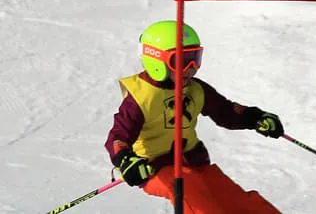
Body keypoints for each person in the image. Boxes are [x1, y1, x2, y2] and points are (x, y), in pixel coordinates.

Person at [105, 20, 284, 213]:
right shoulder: (141, 97)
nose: (191, 67)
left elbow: (226, 112)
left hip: (193, 162)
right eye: (181, 60)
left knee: (241, 202)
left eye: (195, 58)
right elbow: (118, 137)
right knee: (197, 200)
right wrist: (126, 161)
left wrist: (255, 117)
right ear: (156, 60)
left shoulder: (195, 89)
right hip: (155, 168)